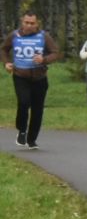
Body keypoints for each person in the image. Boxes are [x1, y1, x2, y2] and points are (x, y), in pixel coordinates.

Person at [7, 11, 59, 148]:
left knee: (37, 109)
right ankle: (22, 129)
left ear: (37, 24)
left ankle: (31, 139)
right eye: (26, 23)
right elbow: (3, 49)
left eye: (32, 23)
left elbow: (55, 52)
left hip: (39, 77)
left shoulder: (43, 36)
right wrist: (6, 63)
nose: (29, 26)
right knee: (23, 102)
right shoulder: (14, 35)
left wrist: (44, 59)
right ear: (22, 21)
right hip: (20, 76)